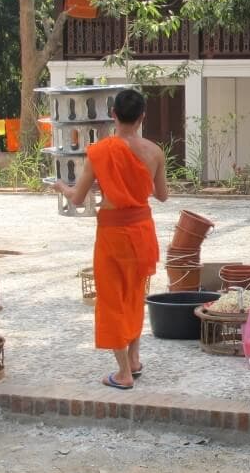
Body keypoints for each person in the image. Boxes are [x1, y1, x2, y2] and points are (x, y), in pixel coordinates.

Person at [52, 88, 168, 391]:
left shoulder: (100, 151)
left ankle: (123, 374)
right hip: (142, 231)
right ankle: (134, 359)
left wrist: (62, 188)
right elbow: (163, 195)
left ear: (113, 114)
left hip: (113, 233)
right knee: (134, 294)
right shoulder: (154, 152)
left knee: (112, 299)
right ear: (142, 117)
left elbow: (78, 198)